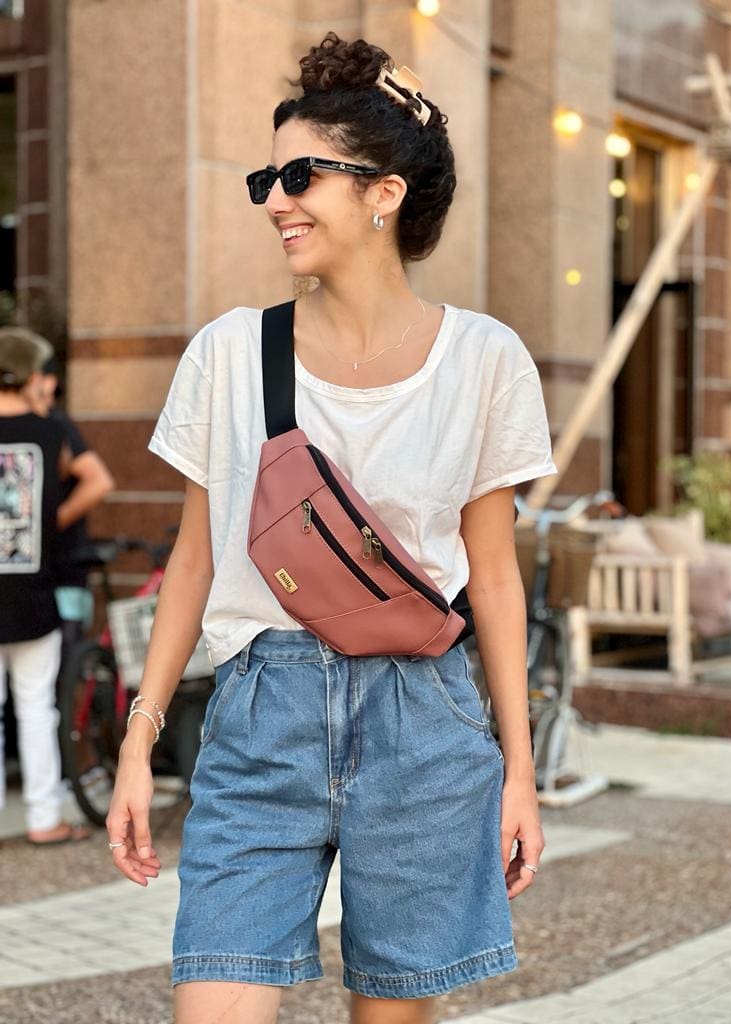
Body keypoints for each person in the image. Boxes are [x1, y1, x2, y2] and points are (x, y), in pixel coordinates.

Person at [107, 33, 558, 1024]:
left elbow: (492, 577)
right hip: (260, 715)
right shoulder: (230, 352)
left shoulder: (485, 360)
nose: (275, 199)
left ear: (384, 192)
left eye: (301, 175)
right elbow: (194, 561)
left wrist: (520, 773)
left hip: (420, 720)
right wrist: (140, 740)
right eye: (267, 178)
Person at [0, 327, 90, 845]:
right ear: (31, 375)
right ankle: (43, 819)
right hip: (32, 592)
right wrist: (49, 523)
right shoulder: (50, 432)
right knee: (36, 707)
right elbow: (93, 478)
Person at [24, 356, 115, 652]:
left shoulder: (54, 424)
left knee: (60, 665)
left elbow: (99, 481)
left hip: (63, 570)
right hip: (36, 578)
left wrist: (49, 523)